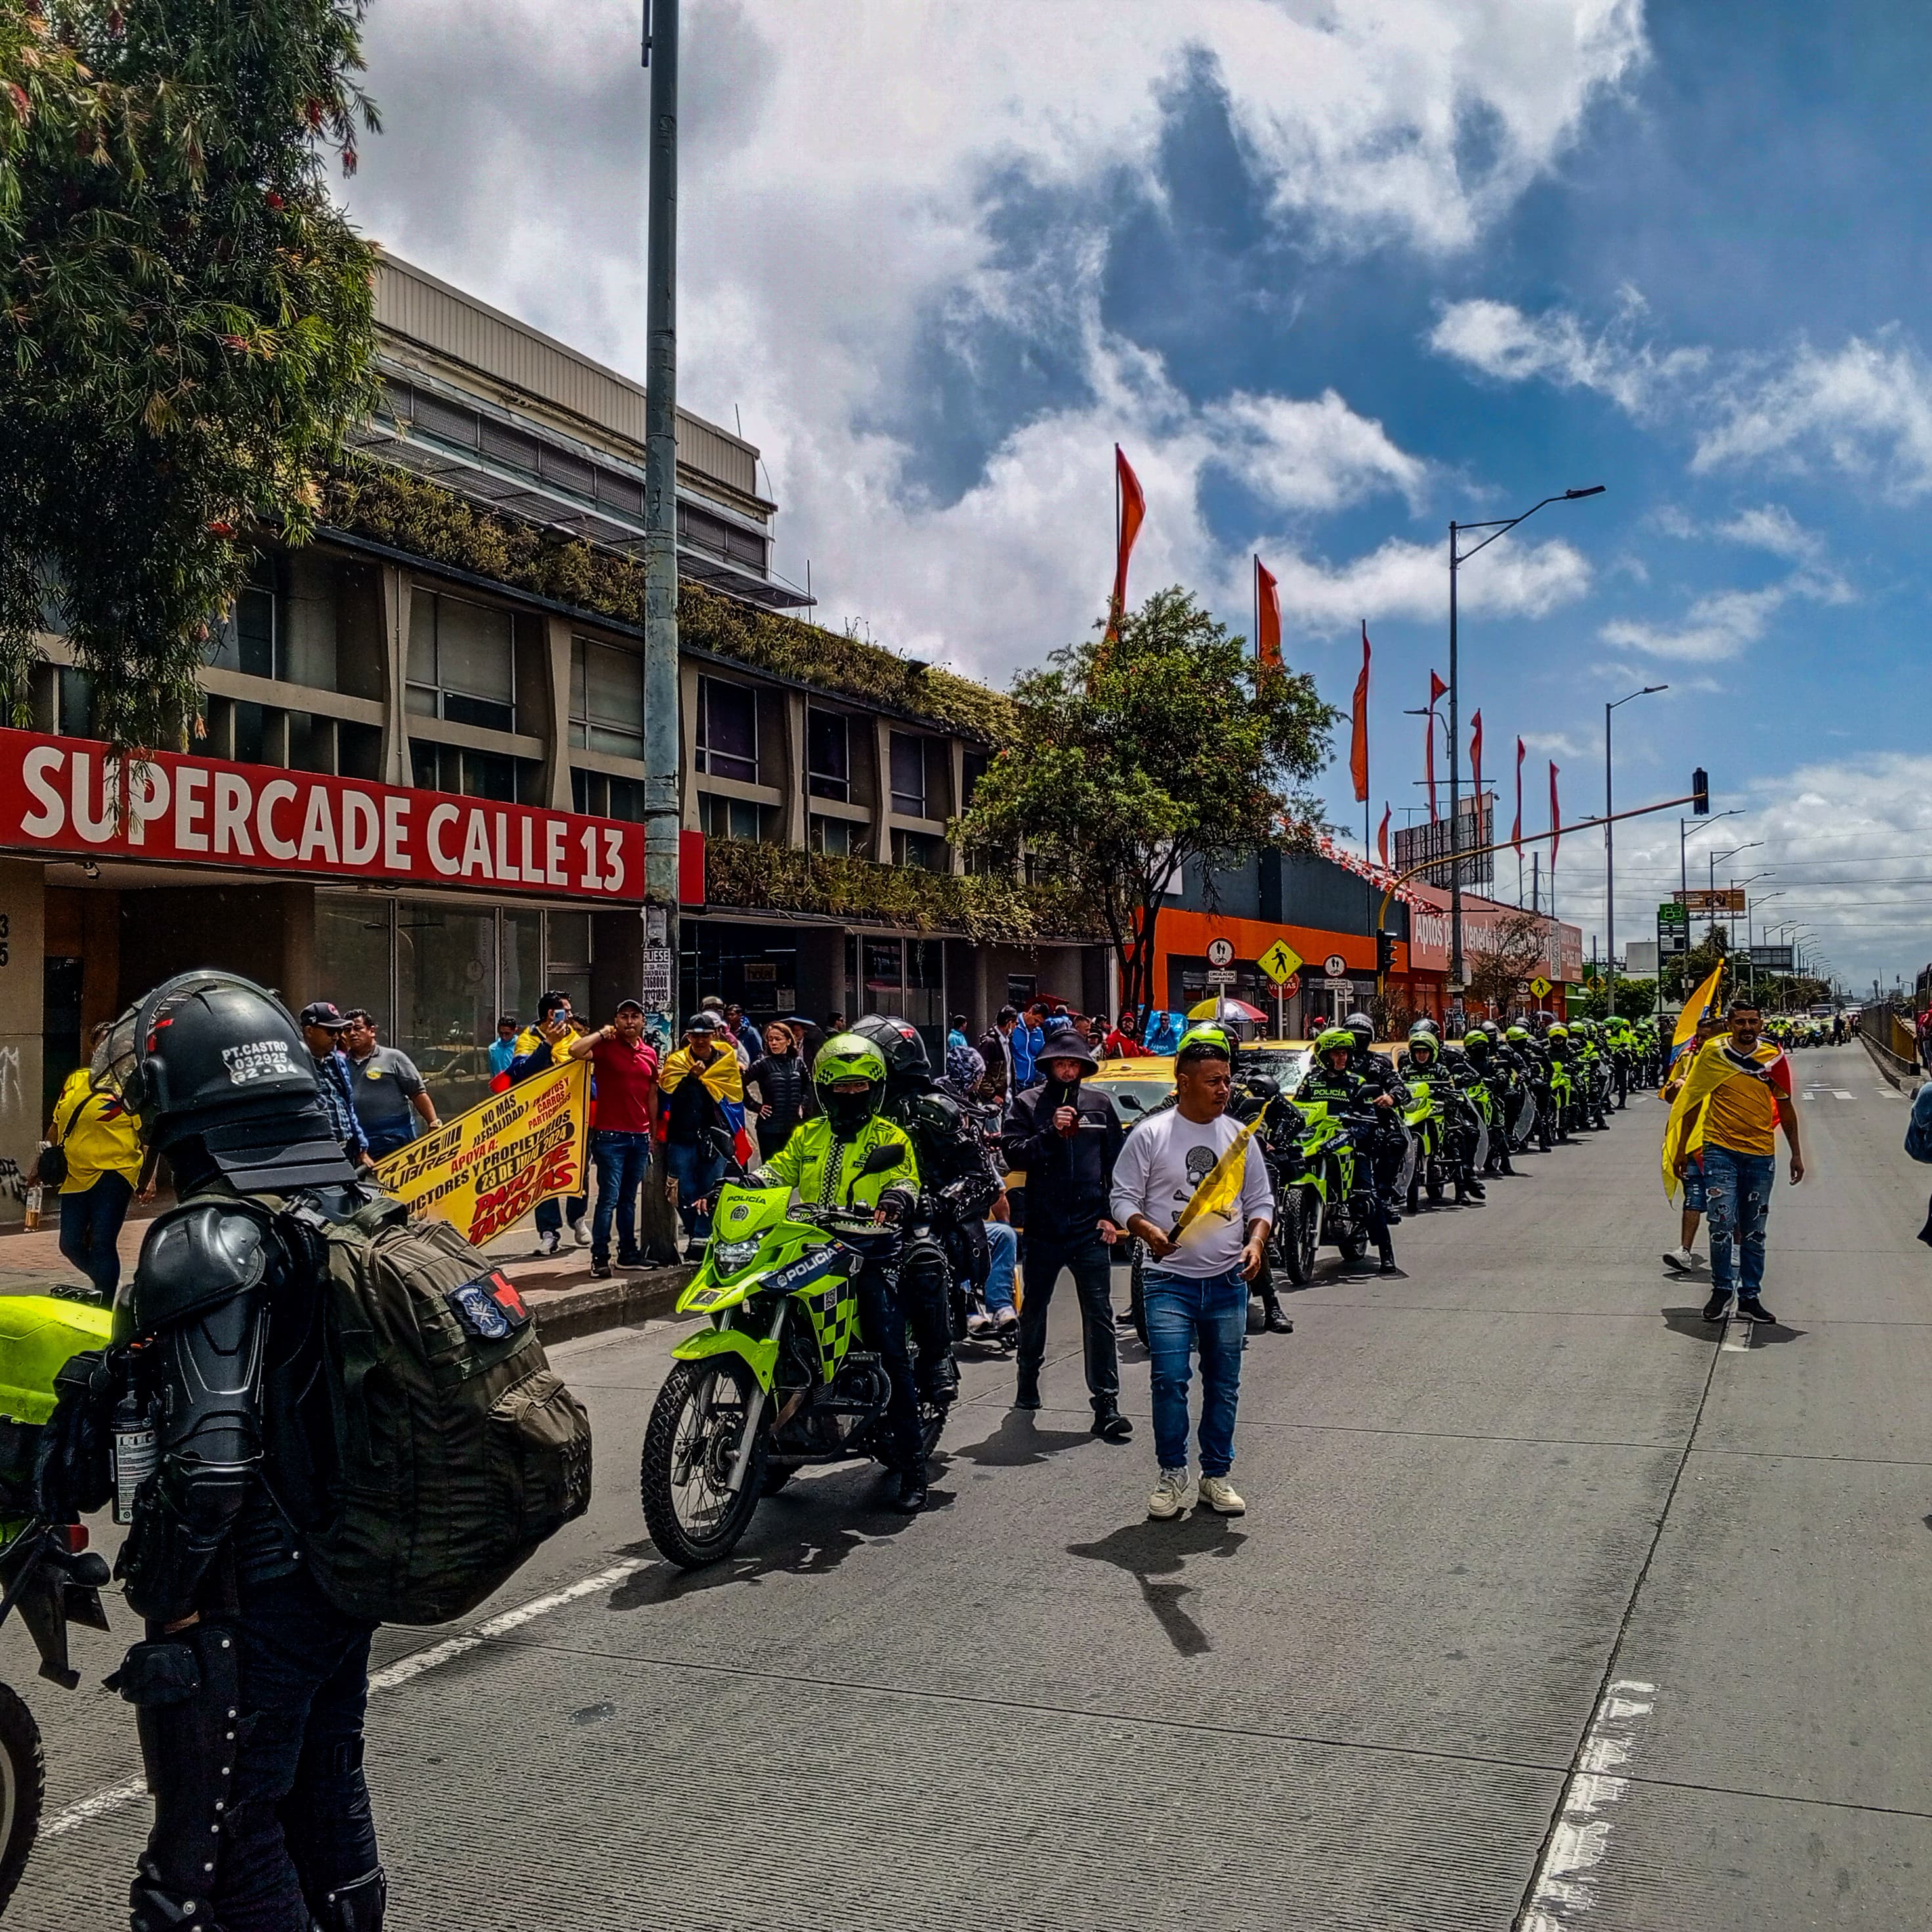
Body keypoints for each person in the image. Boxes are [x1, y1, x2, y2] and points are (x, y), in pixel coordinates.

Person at [83, 973, 389, 1931]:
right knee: (325, 1799)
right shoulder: (349, 1199)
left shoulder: (208, 1235)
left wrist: (164, 1598)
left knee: (210, 1864)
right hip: (350, 1566)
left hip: (254, 1595)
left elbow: (212, 1465)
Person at [749, 1035, 930, 1510]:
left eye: (859, 1087)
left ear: (874, 1090)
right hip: (810, 1249)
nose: (850, 1095)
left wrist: (895, 1199)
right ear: (825, 1093)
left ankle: (913, 1469)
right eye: (840, 1088)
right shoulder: (808, 1135)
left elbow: (905, 1178)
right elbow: (779, 1170)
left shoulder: (890, 1137)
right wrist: (749, 1180)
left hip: (870, 1252)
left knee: (889, 1349)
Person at [1112, 1032, 1272, 1519]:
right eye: (1212, 1081)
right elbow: (1122, 1199)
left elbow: (1260, 1202)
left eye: (1227, 1080)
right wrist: (1146, 1231)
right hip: (1168, 1283)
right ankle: (1171, 1473)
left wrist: (1256, 1242)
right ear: (1183, 1083)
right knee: (1169, 1380)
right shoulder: (1151, 1135)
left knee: (1224, 1384)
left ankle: (1216, 1476)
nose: (1224, 1089)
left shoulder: (1239, 1138)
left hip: (1226, 1284)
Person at [1002, 1029, 1132, 1442]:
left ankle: (1107, 1404)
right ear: (1049, 1066)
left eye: (1074, 1064)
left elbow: (1117, 1164)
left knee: (1100, 1315)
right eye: (1061, 1064)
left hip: (1089, 1228)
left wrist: (1113, 1217)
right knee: (1035, 1309)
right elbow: (1014, 1152)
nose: (1068, 1070)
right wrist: (1051, 1134)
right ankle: (1027, 1381)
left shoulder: (1099, 1105)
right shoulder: (1027, 1105)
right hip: (1043, 1228)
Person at [1666, 998, 1803, 1324]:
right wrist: (1683, 1148)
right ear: (1730, 1023)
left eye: (1752, 1022)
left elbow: (1785, 1107)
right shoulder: (1713, 1056)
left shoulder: (1774, 1059)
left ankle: (1750, 1297)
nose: (1746, 1028)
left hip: (1760, 1154)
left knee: (1754, 1230)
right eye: (1740, 1022)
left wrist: (1796, 1153)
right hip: (1719, 1151)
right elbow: (1693, 1102)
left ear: (1761, 1025)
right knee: (1721, 1223)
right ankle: (1722, 1289)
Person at [43, 1022, 155, 1301]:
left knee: (103, 1242)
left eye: (113, 1044)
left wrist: (149, 1178)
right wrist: (41, 1158)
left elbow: (148, 1136)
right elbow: (57, 1123)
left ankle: (103, 1304)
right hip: (74, 1173)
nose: (106, 1049)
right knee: (70, 1243)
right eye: (102, 1043)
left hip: (115, 1172)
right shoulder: (76, 1080)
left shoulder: (131, 1084)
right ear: (93, 1048)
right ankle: (103, 1283)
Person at [566, 998, 660, 1279]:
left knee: (629, 1199)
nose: (629, 1022)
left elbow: (652, 1094)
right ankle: (600, 1257)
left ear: (643, 1021)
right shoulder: (606, 1048)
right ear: (616, 1021)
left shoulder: (649, 1054)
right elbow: (575, 1050)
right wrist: (600, 1033)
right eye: (624, 1017)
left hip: (639, 1136)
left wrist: (653, 1134)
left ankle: (628, 1254)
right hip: (610, 1136)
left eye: (634, 1017)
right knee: (608, 1197)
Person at [513, 991, 592, 1256]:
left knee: (577, 1169)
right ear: (551, 1014)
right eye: (565, 1011)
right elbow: (522, 1072)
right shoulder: (527, 1039)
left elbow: (588, 1073)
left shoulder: (574, 1037)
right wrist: (548, 1044)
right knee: (543, 1175)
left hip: (574, 1116)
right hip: (540, 1119)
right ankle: (549, 1232)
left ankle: (578, 1218)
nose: (569, 1016)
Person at [658, 1013, 742, 1259]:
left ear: (713, 1035)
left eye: (705, 1035)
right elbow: (667, 1097)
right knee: (683, 1188)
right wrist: (692, 1079)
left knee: (711, 1189)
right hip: (682, 1136)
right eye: (695, 1036)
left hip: (715, 1137)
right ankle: (697, 1232)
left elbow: (735, 1098)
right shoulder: (677, 1063)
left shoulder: (726, 1062)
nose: (700, 1040)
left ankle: (701, 1238)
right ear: (688, 1037)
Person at [1661, 1010, 1721, 1272]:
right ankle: (1684, 1251)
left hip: (1727, 1140)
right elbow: (1670, 1096)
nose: (1701, 1043)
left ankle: (1736, 1252)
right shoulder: (1687, 1060)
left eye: (1708, 1038)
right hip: (1694, 1139)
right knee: (1694, 1195)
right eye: (1699, 1038)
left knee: (1730, 1199)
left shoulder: (1734, 1062)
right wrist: (1677, 1087)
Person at [340, 1010, 438, 1161]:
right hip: (358, 1144)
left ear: (372, 1031)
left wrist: (433, 1123)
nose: (352, 1034)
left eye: (358, 1028)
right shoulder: (341, 1064)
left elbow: (417, 1093)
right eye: (347, 1031)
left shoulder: (394, 1058)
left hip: (394, 1140)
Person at [299, 1000, 372, 1170]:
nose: (336, 1037)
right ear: (309, 1031)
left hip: (346, 1151)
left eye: (339, 1031)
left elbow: (348, 1106)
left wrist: (361, 1148)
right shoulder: (297, 1063)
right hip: (317, 1154)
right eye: (330, 1030)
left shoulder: (338, 1062)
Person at [745, 1020, 813, 1160]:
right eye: (770, 1040)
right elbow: (738, 1085)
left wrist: (803, 1104)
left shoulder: (798, 1062)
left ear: (788, 1041)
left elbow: (808, 1084)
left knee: (794, 1167)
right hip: (770, 1127)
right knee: (771, 1171)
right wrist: (755, 1106)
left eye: (778, 1039)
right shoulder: (762, 1064)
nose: (774, 1043)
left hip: (794, 1124)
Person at [976, 1005, 1023, 1105]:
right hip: (992, 1100)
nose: (1016, 1027)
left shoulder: (1008, 1041)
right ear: (1009, 1024)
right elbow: (979, 1073)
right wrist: (992, 1096)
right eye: (1016, 1024)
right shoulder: (989, 1043)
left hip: (1007, 1095)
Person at [723, 1001, 764, 1065]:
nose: (729, 1017)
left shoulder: (751, 1032)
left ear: (740, 1015)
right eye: (728, 1015)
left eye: (732, 1015)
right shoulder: (726, 1032)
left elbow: (759, 1052)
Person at [488, 1014, 520, 1079]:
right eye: (501, 1033)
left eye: (507, 1033)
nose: (504, 1037)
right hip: (500, 1086)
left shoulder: (522, 1047)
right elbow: (492, 1072)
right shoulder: (492, 1049)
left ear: (514, 1030)